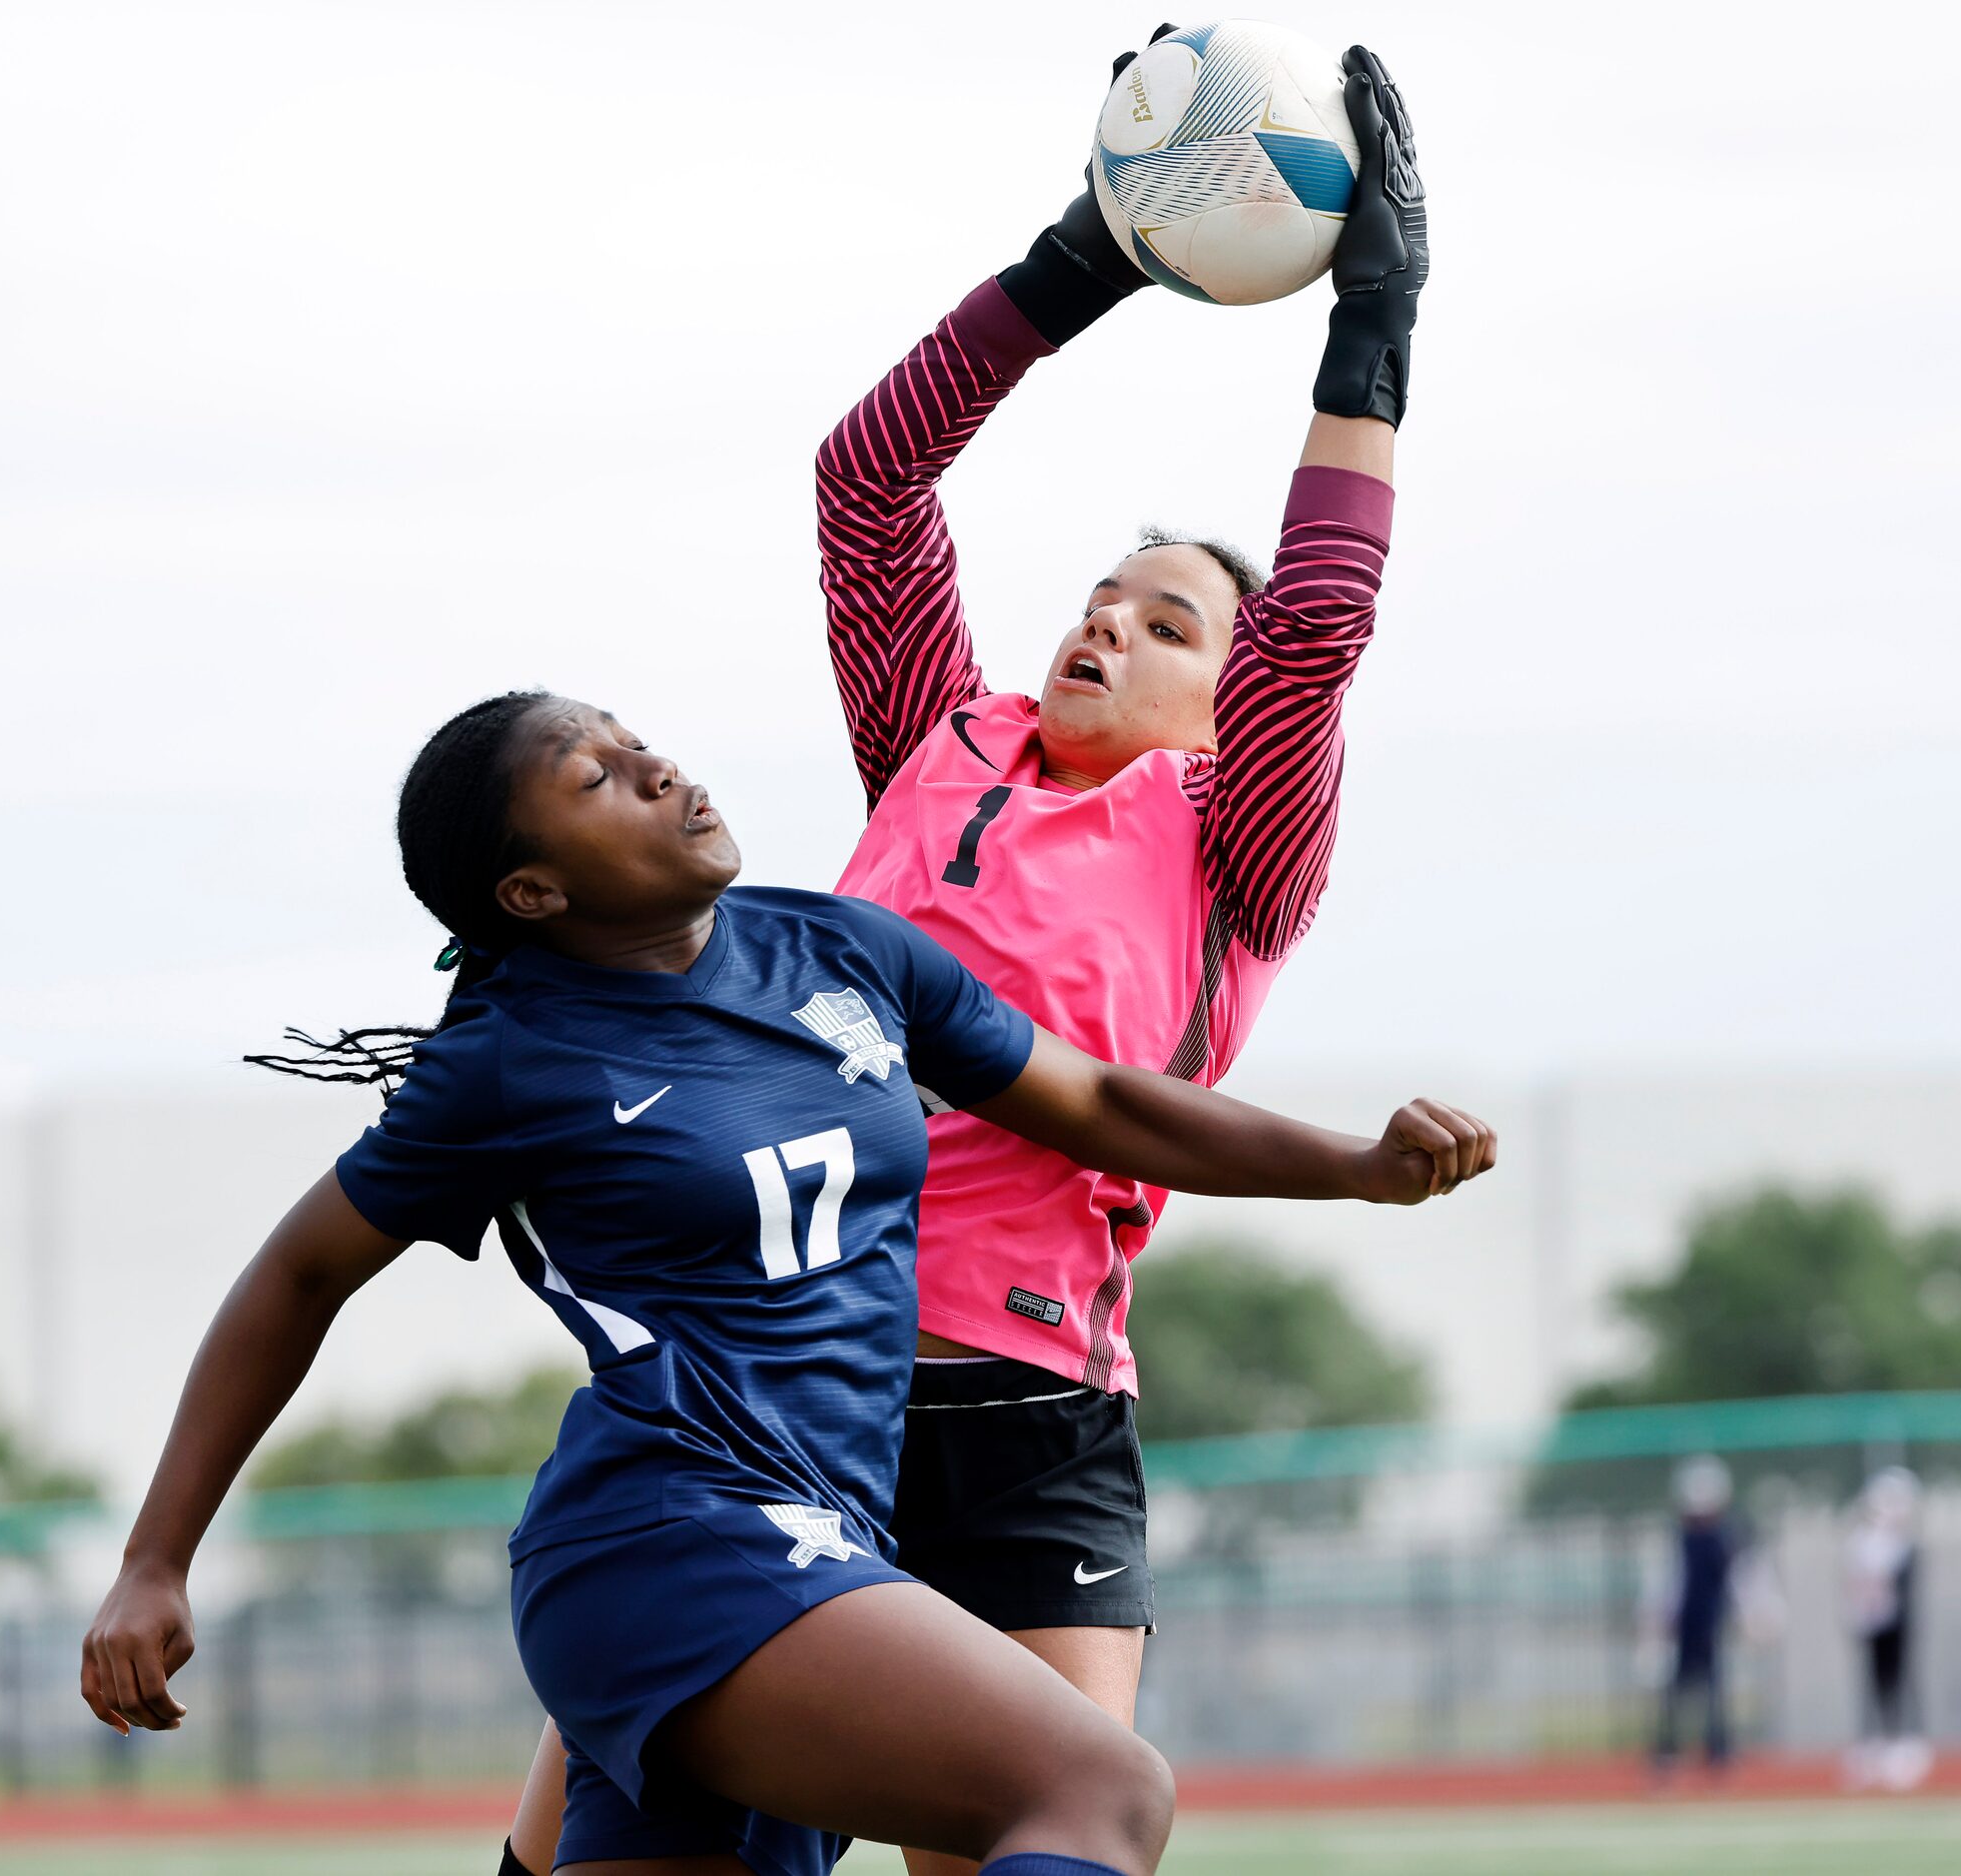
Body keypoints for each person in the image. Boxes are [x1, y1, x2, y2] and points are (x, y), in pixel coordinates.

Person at [511, 29, 1434, 1876]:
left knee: (1060, 1826)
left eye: (1164, 621)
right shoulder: (940, 732)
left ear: (1222, 701)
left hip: (1029, 1431)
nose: (1106, 620)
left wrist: (1375, 332)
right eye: (1098, 595)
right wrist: (1089, 251)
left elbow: (1314, 629)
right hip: (776, 1384)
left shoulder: (1232, 842)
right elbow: (869, 480)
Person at [79, 691, 1495, 1876]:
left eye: (638, 740)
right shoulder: (511, 1058)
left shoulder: (839, 947)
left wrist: (1358, 1166)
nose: (656, 765)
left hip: (812, 1541)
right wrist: (155, 1556)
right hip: (672, 1542)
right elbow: (297, 1272)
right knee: (1100, 1790)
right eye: (597, 777)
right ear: (532, 891)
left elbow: (1101, 1106)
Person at [1650, 1455, 1738, 1776]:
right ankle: (1667, 1753)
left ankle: (1718, 1754)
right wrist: (1660, 1617)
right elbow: (1669, 1583)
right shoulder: (1679, 1539)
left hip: (1710, 1624)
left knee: (1713, 1692)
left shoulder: (1725, 1539)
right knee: (1676, 1692)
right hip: (1684, 1626)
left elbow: (1737, 1581)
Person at [1842, 1465, 1928, 1792]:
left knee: (1899, 1681)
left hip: (1896, 1624)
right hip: (1871, 1624)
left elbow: (1901, 1587)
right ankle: (1872, 1746)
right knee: (1873, 1683)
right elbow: (1857, 1584)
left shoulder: (1902, 1545)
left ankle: (1902, 1744)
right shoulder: (1863, 1543)